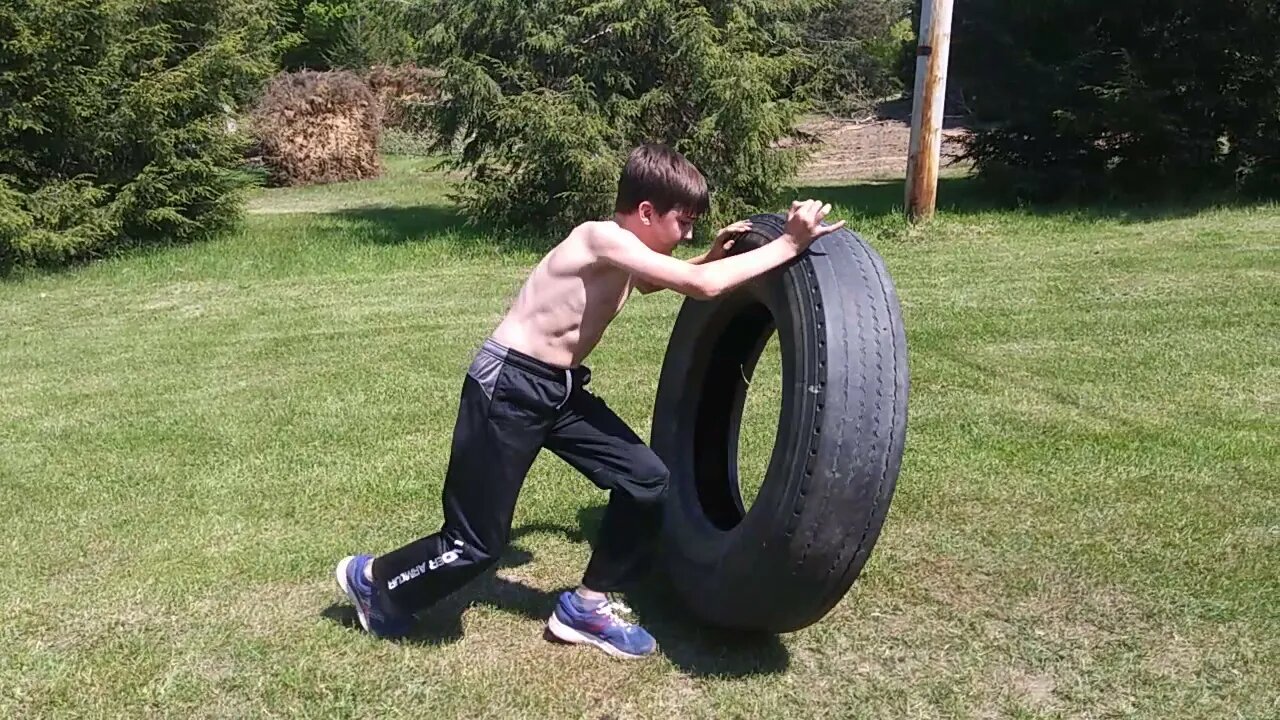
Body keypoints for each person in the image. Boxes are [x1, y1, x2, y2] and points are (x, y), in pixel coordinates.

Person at [335, 143, 845, 659]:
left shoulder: (622, 250)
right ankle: (375, 580)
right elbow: (699, 287)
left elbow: (650, 282)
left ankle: (586, 605)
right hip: (509, 387)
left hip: (556, 391)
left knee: (646, 479)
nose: (687, 232)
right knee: (474, 545)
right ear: (646, 212)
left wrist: (710, 254)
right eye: (683, 221)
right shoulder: (599, 236)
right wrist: (788, 243)